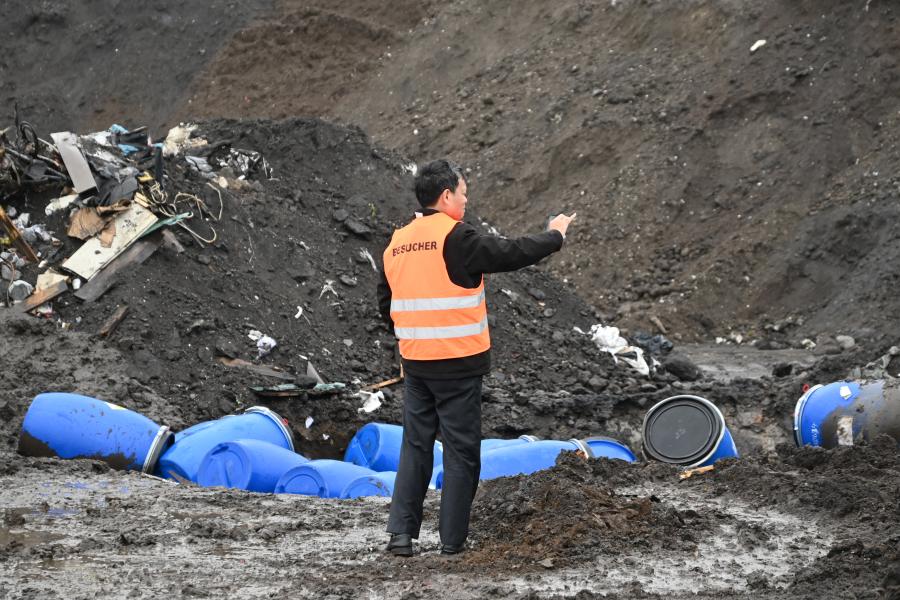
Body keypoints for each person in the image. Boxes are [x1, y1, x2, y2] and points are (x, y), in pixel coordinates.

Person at [377, 158, 575, 556]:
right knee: (461, 451)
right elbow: (511, 253)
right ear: (446, 195)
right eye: (464, 194)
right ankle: (452, 542)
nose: (466, 202)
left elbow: (387, 304)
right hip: (458, 364)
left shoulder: (396, 242)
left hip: (416, 364)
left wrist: (417, 338)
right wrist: (555, 235)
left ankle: (401, 536)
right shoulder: (457, 238)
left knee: (415, 446)